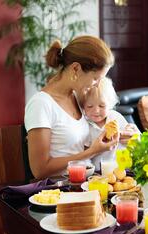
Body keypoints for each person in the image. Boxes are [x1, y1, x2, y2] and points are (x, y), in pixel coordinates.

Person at [24, 36, 118, 178]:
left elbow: (76, 145)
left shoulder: (77, 97)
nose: (98, 84)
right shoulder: (41, 104)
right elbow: (40, 170)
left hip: (84, 182)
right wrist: (91, 151)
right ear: (76, 68)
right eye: (95, 78)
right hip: (58, 190)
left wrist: (115, 136)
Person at [82, 77, 140, 171]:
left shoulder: (115, 117)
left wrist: (130, 134)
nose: (96, 111)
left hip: (122, 169)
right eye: (89, 106)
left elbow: (131, 136)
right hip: (98, 172)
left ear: (110, 104)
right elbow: (84, 153)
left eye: (102, 106)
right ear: (83, 106)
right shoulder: (84, 124)